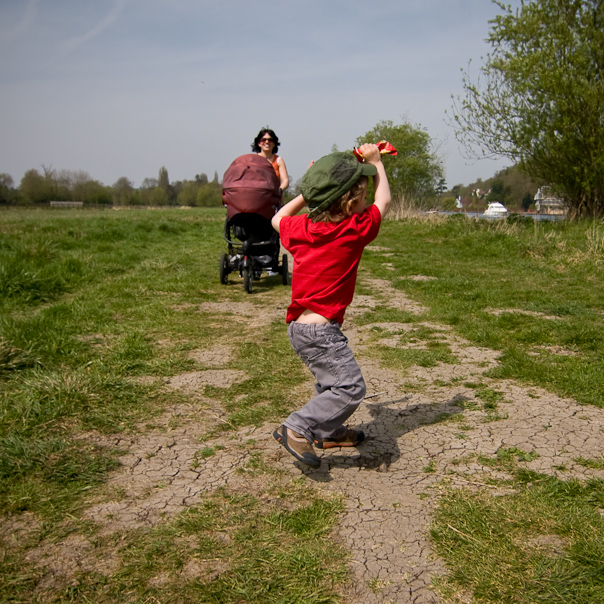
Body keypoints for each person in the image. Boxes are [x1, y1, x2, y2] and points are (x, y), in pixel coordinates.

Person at [270, 143, 391, 468]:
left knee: (330, 381)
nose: (367, 198)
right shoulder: (354, 229)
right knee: (350, 387)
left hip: (300, 329)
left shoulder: (302, 229)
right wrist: (377, 163)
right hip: (321, 332)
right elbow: (385, 200)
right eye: (361, 194)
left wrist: (307, 192)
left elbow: (278, 218)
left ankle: (330, 431)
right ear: (352, 201)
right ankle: (299, 426)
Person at [252, 128, 289, 193]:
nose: (267, 142)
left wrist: (278, 190)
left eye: (270, 140)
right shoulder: (253, 160)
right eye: (264, 140)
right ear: (259, 143)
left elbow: (285, 181)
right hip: (257, 197)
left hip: (275, 199)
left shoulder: (279, 160)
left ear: (274, 143)